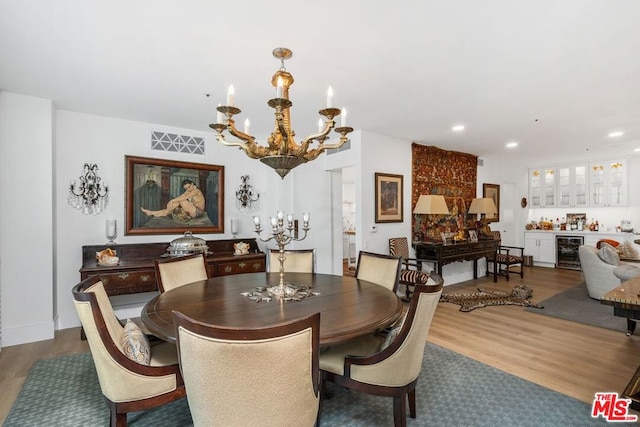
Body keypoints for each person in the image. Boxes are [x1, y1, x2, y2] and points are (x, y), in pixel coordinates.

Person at [141, 179, 205, 221]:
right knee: (172, 207)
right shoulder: (189, 190)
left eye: (189, 187)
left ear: (192, 184)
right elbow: (181, 196)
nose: (188, 189)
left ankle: (164, 211)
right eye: (186, 188)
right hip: (192, 211)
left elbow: (184, 198)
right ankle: (151, 213)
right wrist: (172, 202)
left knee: (181, 201)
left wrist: (172, 201)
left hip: (198, 212)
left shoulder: (196, 191)